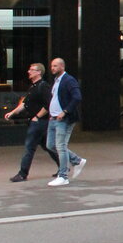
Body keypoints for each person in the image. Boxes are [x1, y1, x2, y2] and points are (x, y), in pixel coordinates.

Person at [3, 62, 60, 183]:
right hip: (38, 123)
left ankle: (22, 174)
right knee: (48, 147)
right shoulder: (33, 87)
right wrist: (12, 113)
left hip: (39, 123)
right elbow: (24, 104)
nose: (29, 71)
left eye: (32, 70)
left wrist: (37, 117)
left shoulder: (43, 86)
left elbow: (49, 104)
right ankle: (63, 167)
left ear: (39, 72)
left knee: (29, 147)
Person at [45, 57, 87, 187]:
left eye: (55, 66)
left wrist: (65, 111)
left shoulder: (68, 80)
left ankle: (63, 176)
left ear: (62, 67)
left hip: (63, 119)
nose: (53, 68)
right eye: (52, 66)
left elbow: (77, 97)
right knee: (50, 145)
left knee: (60, 146)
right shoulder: (57, 81)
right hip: (54, 118)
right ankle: (77, 160)